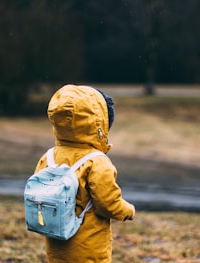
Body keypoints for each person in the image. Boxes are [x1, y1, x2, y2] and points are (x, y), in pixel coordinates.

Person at [34, 84, 136, 263]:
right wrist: (127, 210)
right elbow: (108, 203)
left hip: (56, 244)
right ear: (99, 124)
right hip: (88, 248)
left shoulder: (48, 157)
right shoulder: (96, 162)